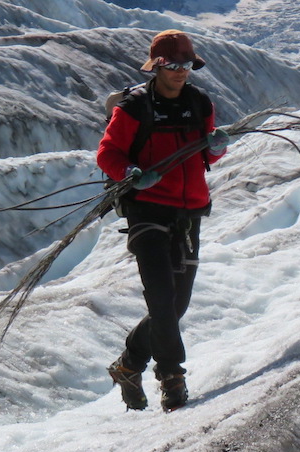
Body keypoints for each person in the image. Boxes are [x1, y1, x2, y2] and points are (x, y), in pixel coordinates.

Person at [96, 29, 230, 411]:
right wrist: (131, 173)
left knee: (175, 305)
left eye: (186, 64)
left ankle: (129, 364)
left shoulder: (200, 102)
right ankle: (172, 376)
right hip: (147, 208)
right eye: (173, 65)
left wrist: (217, 147)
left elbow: (207, 154)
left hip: (188, 213)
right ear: (157, 66)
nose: (181, 71)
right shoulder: (135, 107)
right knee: (161, 294)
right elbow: (108, 154)